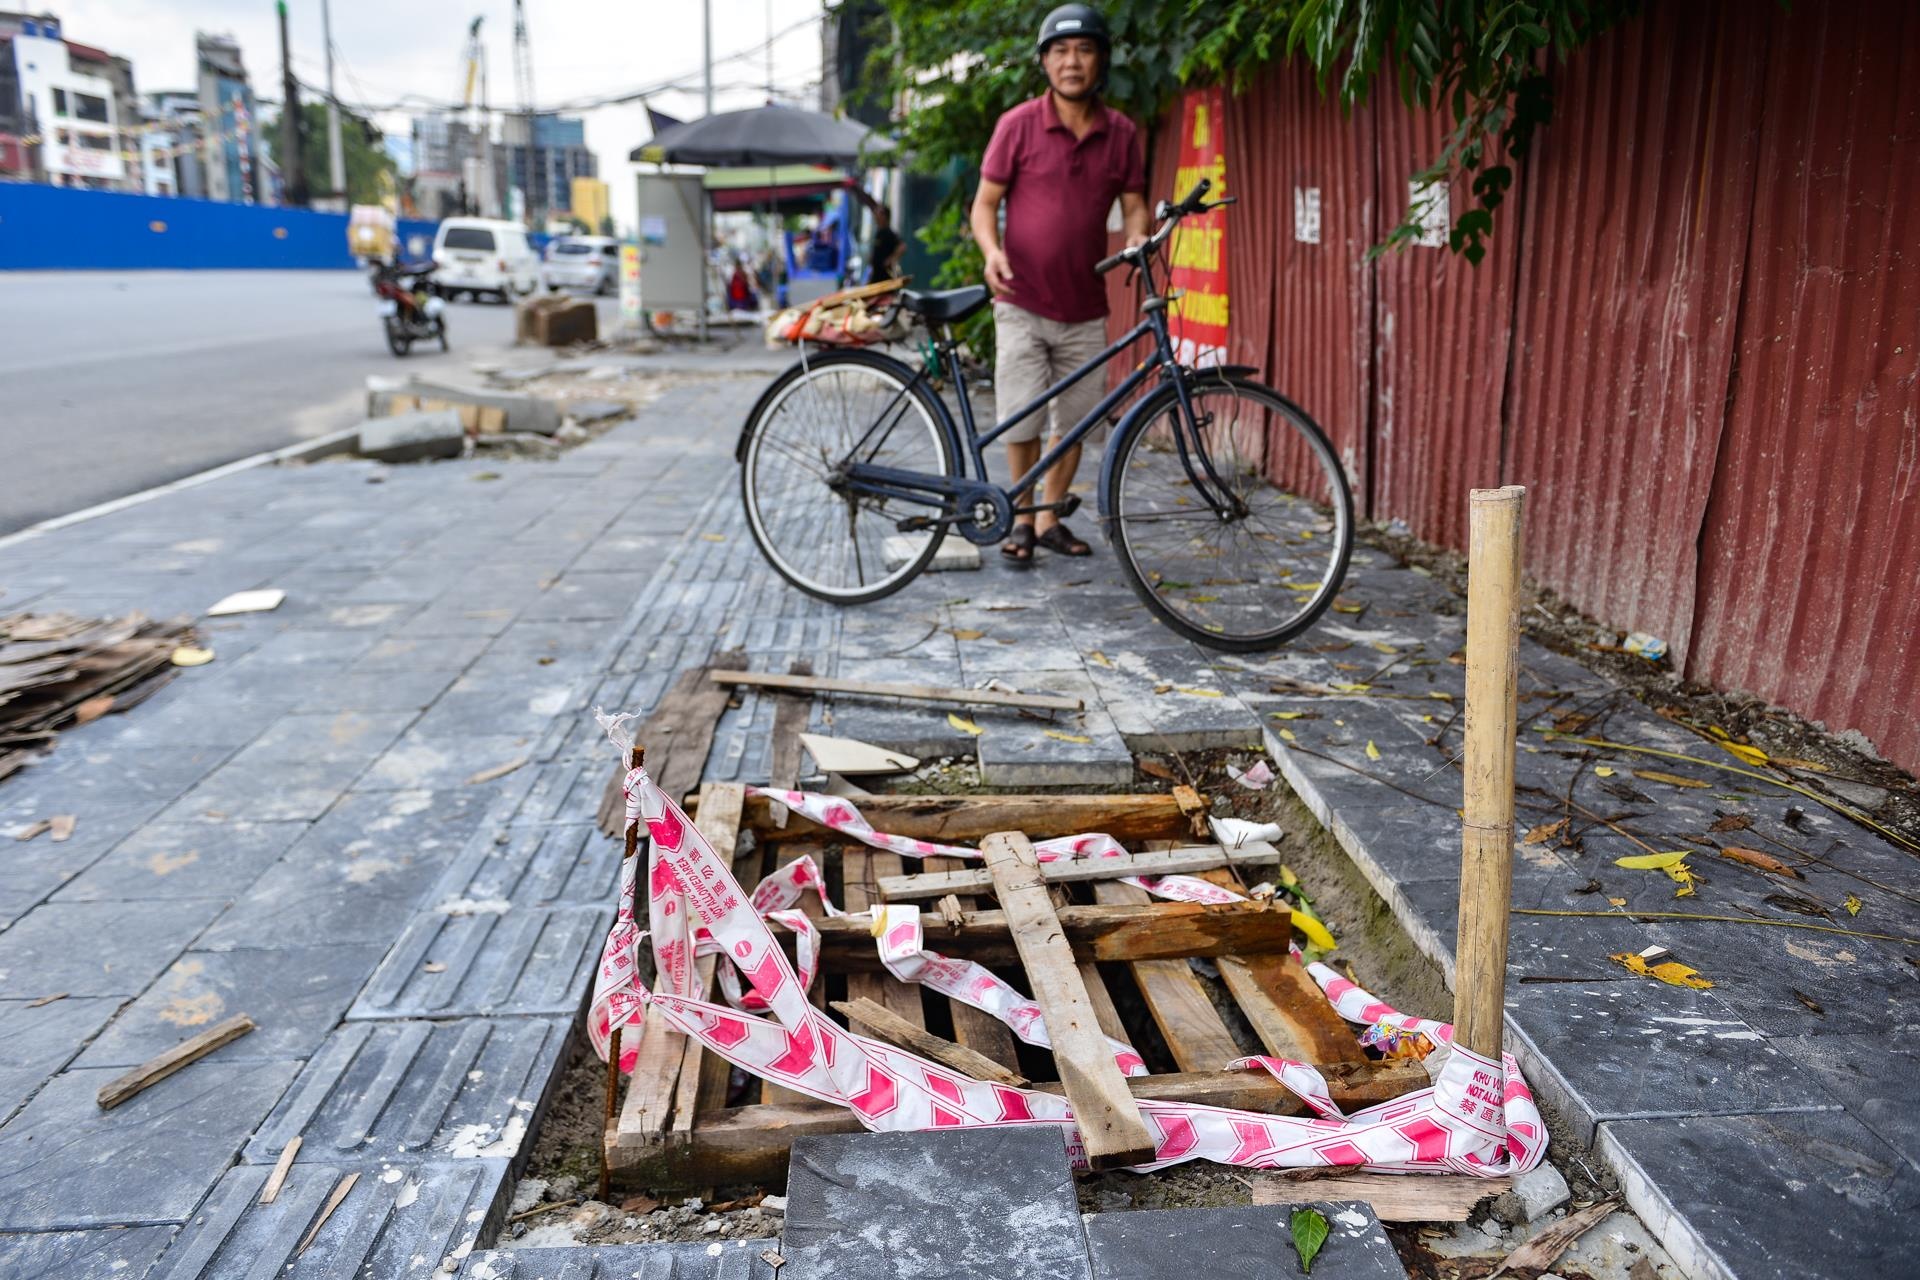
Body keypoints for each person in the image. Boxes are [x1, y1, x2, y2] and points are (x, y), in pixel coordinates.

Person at [971, 3, 1148, 566]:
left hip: (1085, 306)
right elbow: (984, 204)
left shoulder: (1120, 133)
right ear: (1045, 62)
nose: (1072, 62)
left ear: (1101, 61)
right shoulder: (1017, 125)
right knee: (1021, 416)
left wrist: (1136, 240)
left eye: (1084, 50)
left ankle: (1049, 519)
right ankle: (1020, 517)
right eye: (1060, 51)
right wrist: (992, 250)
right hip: (1021, 299)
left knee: (1074, 423)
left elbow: (1136, 205)